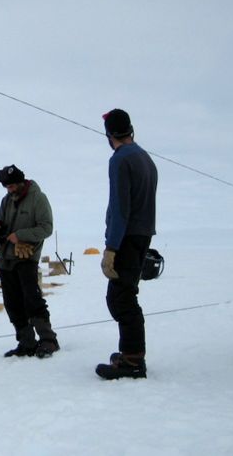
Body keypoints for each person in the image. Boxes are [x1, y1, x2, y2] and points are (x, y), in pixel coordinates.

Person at [96, 109, 157, 380]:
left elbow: (121, 207)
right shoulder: (145, 158)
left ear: (109, 135)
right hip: (142, 235)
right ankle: (131, 354)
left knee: (121, 299)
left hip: (127, 237)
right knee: (124, 295)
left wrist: (111, 247)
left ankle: (132, 360)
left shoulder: (120, 160)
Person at [0, 165, 59, 358]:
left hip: (26, 257)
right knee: (12, 303)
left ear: (21, 182)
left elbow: (46, 228)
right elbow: (2, 222)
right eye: (7, 187)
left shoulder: (38, 198)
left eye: (12, 186)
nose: (9, 190)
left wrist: (20, 236)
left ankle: (48, 340)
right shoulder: (6, 200)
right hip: (5, 258)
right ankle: (26, 342)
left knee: (32, 299)